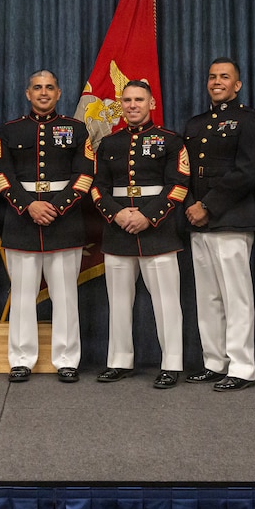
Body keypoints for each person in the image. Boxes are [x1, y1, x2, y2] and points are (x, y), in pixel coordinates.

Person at [0, 70, 94, 382]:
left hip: (63, 222)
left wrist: (56, 206)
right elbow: (1, 174)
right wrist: (29, 205)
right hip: (22, 221)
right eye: (37, 87)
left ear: (59, 93)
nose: (43, 92)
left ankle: (67, 359)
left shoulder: (77, 129)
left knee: (65, 295)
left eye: (49, 87)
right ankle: (21, 359)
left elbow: (85, 174)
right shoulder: (11, 130)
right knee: (23, 295)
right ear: (27, 93)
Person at [91, 80, 189, 389]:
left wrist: (148, 216)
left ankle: (171, 364)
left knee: (167, 302)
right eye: (128, 100)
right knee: (118, 301)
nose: (133, 105)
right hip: (118, 229)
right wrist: (116, 214)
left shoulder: (171, 141)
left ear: (152, 105)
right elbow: (97, 186)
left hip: (157, 230)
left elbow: (179, 185)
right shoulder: (108, 144)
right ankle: (119, 360)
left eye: (139, 99)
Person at [182, 58, 255, 392]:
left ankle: (242, 367)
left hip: (231, 217)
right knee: (208, 297)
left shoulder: (250, 120)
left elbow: (247, 171)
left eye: (225, 77)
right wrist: (191, 205)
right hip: (197, 219)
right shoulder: (195, 123)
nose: (217, 81)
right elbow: (184, 170)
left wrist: (208, 205)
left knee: (236, 297)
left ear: (237, 85)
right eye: (212, 76)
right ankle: (214, 362)